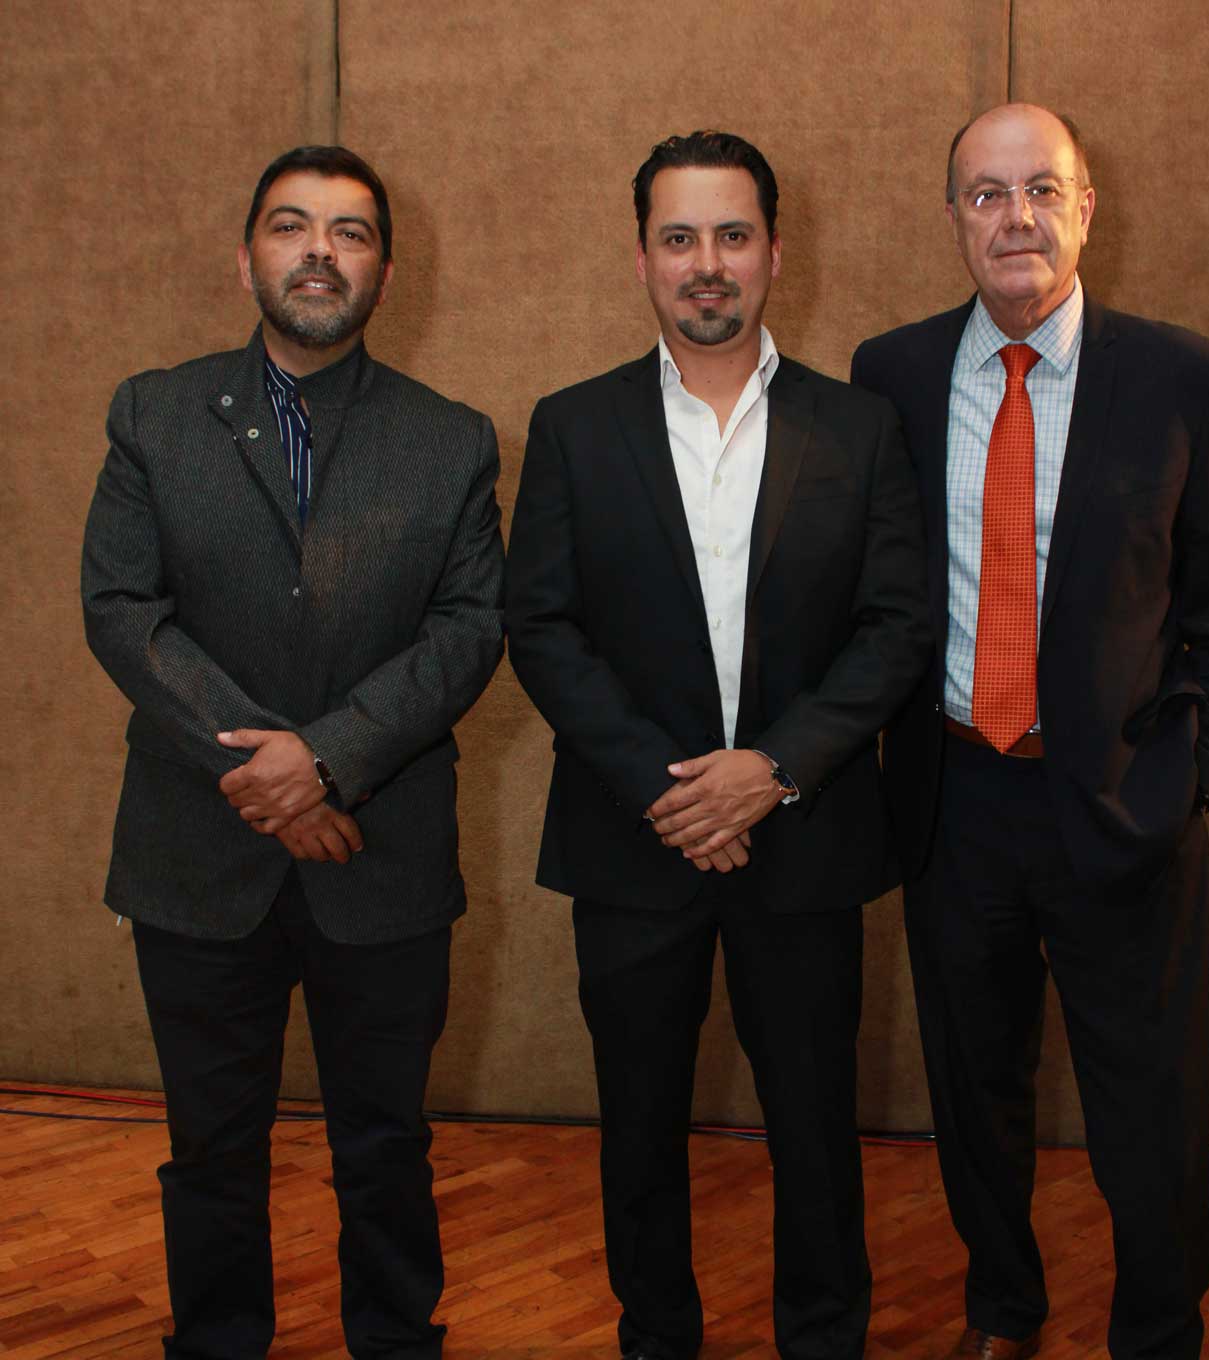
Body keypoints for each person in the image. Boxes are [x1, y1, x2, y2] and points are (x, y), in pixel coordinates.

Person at [505, 130, 931, 1360]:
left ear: (775, 253)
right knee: (638, 1129)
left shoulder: (857, 428)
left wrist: (773, 770)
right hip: (632, 845)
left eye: (732, 236)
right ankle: (656, 1337)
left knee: (816, 1128)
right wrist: (674, 789)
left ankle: (824, 1338)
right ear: (642, 257)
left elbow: (896, 626)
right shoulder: (573, 426)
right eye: (680, 238)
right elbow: (542, 627)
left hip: (806, 840)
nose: (707, 263)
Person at [852, 104, 1209, 1360]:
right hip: (953, 799)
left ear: (1087, 207)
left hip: (1124, 799)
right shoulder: (892, 375)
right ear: (952, 219)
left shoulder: (1182, 376)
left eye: (1041, 189)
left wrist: (1191, 771)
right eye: (985, 193)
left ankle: (1157, 1327)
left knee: (1148, 1095)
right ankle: (1001, 1307)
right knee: (974, 1087)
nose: (1015, 216)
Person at [81, 145, 504, 1359]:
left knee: (386, 1143)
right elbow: (122, 610)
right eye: (291, 225)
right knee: (211, 1147)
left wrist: (324, 763)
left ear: (385, 272)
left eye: (350, 231)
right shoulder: (153, 413)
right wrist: (269, 778)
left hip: (382, 853)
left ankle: (395, 1340)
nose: (320, 249)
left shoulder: (452, 439)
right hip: (196, 855)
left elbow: (469, 629)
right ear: (247, 258)